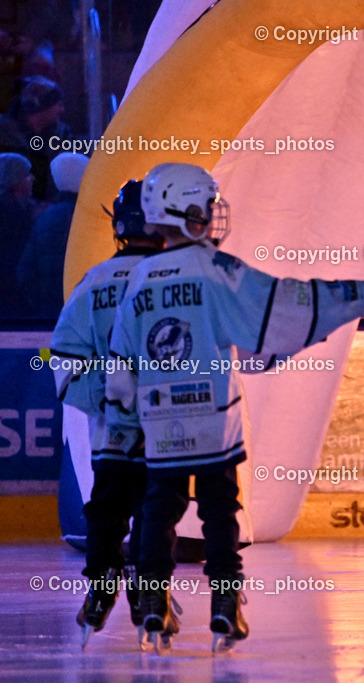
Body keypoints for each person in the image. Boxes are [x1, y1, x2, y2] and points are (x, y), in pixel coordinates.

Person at [105, 163, 364, 652]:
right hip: (214, 417)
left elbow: (122, 359)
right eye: (206, 207)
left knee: (157, 511)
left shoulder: (139, 278)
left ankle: (151, 604)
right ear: (185, 211)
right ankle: (226, 607)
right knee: (220, 511)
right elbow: (281, 303)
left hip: (160, 422)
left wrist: (123, 421)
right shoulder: (217, 269)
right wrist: (356, 295)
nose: (213, 216)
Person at [50, 180, 165, 648]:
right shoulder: (174, 279)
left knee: (108, 505)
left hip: (111, 424)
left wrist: (103, 398)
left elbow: (64, 351)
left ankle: (100, 589)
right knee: (155, 507)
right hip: (167, 422)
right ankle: (146, 591)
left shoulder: (94, 279)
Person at [17, 152, 89, 319]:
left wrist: (41, 300)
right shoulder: (90, 217)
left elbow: (25, 271)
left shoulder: (45, 217)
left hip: (49, 311)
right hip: (84, 310)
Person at [0, 152, 35, 318]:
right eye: (26, 175)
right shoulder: (11, 214)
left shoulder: (21, 210)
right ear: (14, 180)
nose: (32, 178)